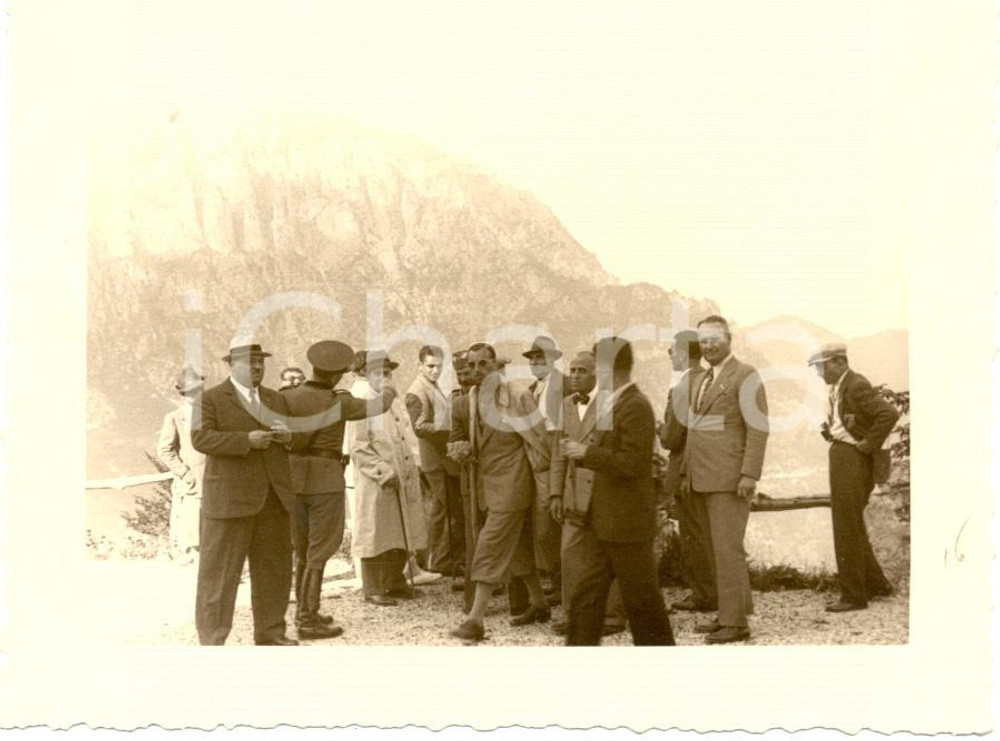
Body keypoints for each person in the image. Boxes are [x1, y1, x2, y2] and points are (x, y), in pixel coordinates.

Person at [559, 337, 675, 646]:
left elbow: (634, 463)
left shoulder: (635, 405)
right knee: (588, 595)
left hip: (627, 524)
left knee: (642, 603)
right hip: (608, 521)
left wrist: (586, 453)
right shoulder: (617, 402)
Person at [283, 340, 397, 639]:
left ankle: (303, 611)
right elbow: (379, 405)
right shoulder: (339, 401)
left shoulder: (289, 397)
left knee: (302, 549)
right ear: (336, 375)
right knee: (320, 550)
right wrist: (389, 389)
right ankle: (307, 619)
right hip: (324, 480)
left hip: (293, 479)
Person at [191, 339, 299, 646]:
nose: (257, 367)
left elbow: (294, 437)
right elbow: (200, 438)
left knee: (274, 573)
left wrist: (289, 436)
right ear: (231, 365)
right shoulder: (209, 399)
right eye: (249, 362)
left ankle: (270, 634)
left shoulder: (276, 399)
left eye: (260, 361)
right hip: (229, 502)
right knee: (219, 576)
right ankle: (212, 640)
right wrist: (245, 440)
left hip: (274, 500)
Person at [446, 342, 552, 642]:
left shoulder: (517, 396)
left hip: (513, 484)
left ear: (497, 365)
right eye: (473, 365)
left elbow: (541, 440)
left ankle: (475, 619)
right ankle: (540, 604)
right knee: (517, 547)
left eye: (484, 364)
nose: (478, 370)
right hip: (486, 485)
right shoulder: (472, 397)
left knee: (489, 545)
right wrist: (462, 450)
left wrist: (546, 481)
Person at [680, 315, 769, 644]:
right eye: (703, 341)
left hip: (729, 480)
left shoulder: (745, 374)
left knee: (727, 550)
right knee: (719, 550)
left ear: (729, 338)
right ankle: (731, 614)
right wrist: (687, 471)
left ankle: (735, 624)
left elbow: (758, 428)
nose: (709, 345)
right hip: (702, 478)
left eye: (715, 339)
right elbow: (699, 430)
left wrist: (748, 474)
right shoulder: (703, 378)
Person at [809, 342, 898, 612]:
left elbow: (889, 413)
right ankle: (876, 584)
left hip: (852, 459)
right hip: (844, 455)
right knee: (853, 524)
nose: (820, 373)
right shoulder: (841, 387)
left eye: (822, 367)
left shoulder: (855, 384)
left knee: (846, 526)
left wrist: (868, 444)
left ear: (839, 362)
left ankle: (853, 596)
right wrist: (834, 432)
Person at [548, 351, 627, 637]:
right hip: (573, 493)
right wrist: (555, 494)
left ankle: (613, 615)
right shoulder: (566, 405)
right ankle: (574, 614)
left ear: (597, 374)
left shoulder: (613, 404)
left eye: (582, 370)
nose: (576, 375)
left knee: (608, 553)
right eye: (573, 370)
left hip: (605, 490)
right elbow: (557, 454)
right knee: (570, 553)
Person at [347, 351, 429, 606]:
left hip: (402, 473)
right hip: (377, 479)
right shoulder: (362, 400)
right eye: (377, 373)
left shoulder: (392, 399)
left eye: (387, 373)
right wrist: (383, 472)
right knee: (375, 533)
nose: (384, 378)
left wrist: (415, 464)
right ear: (365, 374)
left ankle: (395, 581)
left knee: (401, 530)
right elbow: (358, 446)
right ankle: (372, 587)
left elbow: (407, 433)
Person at [659, 330, 716, 613]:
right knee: (708, 531)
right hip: (711, 469)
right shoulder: (712, 380)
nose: (669, 355)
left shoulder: (683, 386)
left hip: (685, 471)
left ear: (683, 353)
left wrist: (660, 428)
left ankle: (703, 594)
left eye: (672, 351)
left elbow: (671, 438)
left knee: (693, 534)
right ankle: (714, 589)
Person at [406, 345, 465, 579]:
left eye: (439, 366)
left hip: (442, 460)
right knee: (447, 510)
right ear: (419, 365)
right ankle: (441, 561)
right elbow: (419, 427)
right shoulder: (417, 391)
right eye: (430, 366)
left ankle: (438, 560)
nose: (435, 370)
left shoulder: (432, 386)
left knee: (442, 510)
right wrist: (451, 431)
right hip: (436, 461)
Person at [521, 335, 570, 605]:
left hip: (555, 463)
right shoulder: (532, 389)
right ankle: (556, 583)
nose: (537, 362)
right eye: (533, 358)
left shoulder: (563, 385)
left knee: (552, 526)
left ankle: (563, 586)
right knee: (544, 529)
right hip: (537, 465)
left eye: (542, 357)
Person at [156, 366, 208, 562]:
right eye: (189, 391)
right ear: (182, 393)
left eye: (198, 389)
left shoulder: (212, 413)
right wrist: (184, 473)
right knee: (193, 520)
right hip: (193, 480)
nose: (195, 394)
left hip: (215, 477)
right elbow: (165, 449)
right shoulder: (175, 417)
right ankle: (192, 556)